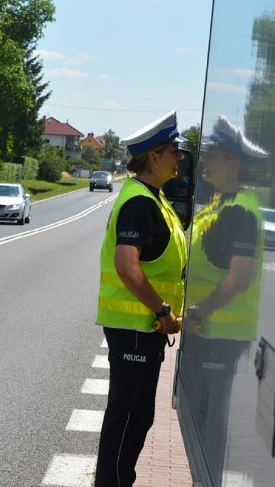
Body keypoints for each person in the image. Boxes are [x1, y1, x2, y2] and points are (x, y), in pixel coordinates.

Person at [94, 111, 189, 487]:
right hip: (136, 327)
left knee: (135, 415)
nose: (178, 157)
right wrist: (162, 310)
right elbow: (126, 266)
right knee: (129, 415)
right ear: (154, 156)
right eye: (173, 151)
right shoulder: (139, 201)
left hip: (142, 329)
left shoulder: (155, 198)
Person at [179, 115, 267, 484]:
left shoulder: (240, 210)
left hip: (219, 334)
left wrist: (200, 310)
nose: (207, 159)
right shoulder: (221, 204)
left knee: (210, 422)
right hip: (207, 333)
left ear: (234, 163)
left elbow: (239, 276)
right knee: (200, 418)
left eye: (214, 153)